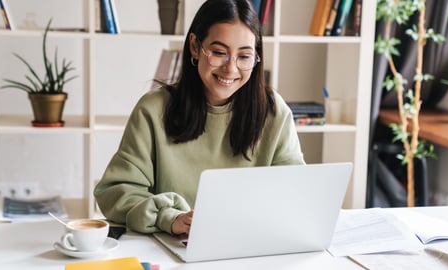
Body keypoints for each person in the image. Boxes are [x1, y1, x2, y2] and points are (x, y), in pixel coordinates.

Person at [94, 0, 305, 236]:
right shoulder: (153, 110)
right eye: (218, 53)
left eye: (244, 56)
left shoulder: (274, 112)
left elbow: (294, 194)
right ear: (195, 47)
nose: (230, 69)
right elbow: (115, 192)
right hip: (173, 246)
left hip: (250, 243)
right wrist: (168, 217)